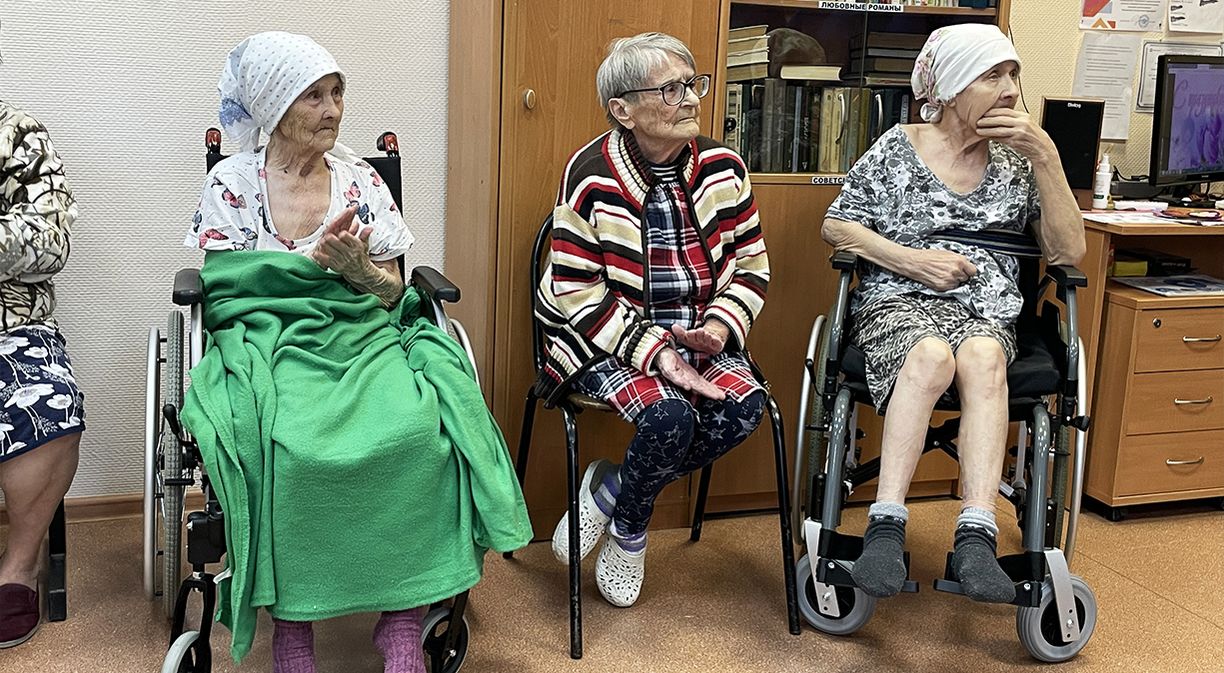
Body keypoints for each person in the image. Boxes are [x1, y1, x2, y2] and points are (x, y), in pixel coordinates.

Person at [182, 32, 531, 672]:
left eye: (337, 93)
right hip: (273, 342)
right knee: (285, 445)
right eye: (313, 96)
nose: (332, 109)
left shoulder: (361, 180)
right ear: (275, 105)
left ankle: (401, 622)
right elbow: (225, 294)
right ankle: (293, 629)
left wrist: (357, 271)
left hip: (364, 336)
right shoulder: (231, 183)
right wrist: (302, 274)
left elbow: (395, 292)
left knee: (419, 431)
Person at [820, 23, 1085, 603]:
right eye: (992, 76)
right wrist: (913, 262)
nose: (1010, 90)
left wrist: (1047, 156)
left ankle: (976, 536)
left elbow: (1068, 253)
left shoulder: (1020, 164)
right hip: (898, 303)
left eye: (1013, 75)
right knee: (931, 356)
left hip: (985, 314)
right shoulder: (897, 147)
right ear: (951, 88)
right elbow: (837, 225)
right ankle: (885, 527)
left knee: (985, 356)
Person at [535, 32, 770, 608]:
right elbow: (576, 291)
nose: (690, 98)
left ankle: (613, 493)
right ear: (623, 110)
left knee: (743, 408)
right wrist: (655, 351)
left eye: (693, 83)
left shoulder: (724, 167)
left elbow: (751, 264)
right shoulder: (590, 174)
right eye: (670, 89)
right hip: (602, 337)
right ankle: (633, 536)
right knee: (670, 418)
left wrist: (719, 329)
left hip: (698, 333)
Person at [0, 101, 84, 649]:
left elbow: (51, 243)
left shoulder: (16, 133)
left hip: (12, 325)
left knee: (49, 403)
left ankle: (18, 565)